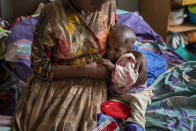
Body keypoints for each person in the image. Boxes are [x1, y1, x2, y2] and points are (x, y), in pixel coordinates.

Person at [12, 0, 147, 131]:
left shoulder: (109, 5)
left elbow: (115, 42)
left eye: (104, 2)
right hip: (57, 82)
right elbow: (38, 66)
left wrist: (137, 55)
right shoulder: (52, 14)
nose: (100, 8)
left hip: (95, 82)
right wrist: (86, 71)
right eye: (94, 2)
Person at [101, 24, 153, 131]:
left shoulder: (129, 59)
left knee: (138, 104)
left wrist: (113, 69)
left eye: (116, 50)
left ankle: (136, 124)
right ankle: (108, 122)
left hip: (137, 92)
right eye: (108, 46)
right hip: (120, 95)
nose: (110, 52)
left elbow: (130, 78)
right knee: (111, 105)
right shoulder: (108, 57)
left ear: (128, 50)